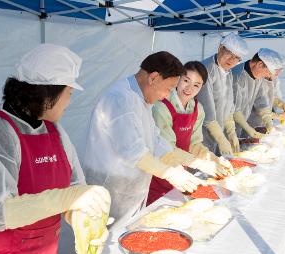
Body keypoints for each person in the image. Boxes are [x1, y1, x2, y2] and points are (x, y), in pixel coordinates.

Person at [0, 44, 111, 254]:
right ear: (48, 93)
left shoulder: (56, 132)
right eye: (68, 94)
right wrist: (67, 198)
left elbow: (75, 188)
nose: (69, 103)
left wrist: (84, 220)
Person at [83, 51, 226, 223]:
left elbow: (157, 141)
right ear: (153, 78)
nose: (167, 95)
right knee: (104, 240)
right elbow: (133, 152)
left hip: (131, 188)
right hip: (111, 187)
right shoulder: (120, 99)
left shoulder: (143, 98)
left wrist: (194, 162)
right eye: (168, 89)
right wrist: (171, 173)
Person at [148, 61, 233, 205]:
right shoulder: (161, 106)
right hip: (159, 172)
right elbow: (166, 149)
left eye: (196, 85)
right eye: (186, 81)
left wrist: (213, 159)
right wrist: (200, 164)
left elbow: (194, 144)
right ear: (178, 79)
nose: (189, 88)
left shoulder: (197, 108)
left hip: (182, 172)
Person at [198, 33, 248, 155]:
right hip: (199, 137)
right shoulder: (205, 69)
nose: (232, 60)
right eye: (230, 54)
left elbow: (228, 106)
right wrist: (221, 139)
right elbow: (207, 112)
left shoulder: (228, 73)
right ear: (220, 48)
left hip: (215, 136)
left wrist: (231, 133)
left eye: (237, 58)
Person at [232, 48, 281, 138]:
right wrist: (248, 128)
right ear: (260, 64)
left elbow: (261, 99)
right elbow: (233, 110)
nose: (269, 76)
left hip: (239, 128)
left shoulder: (257, 77)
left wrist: (268, 120)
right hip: (225, 128)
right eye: (269, 72)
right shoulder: (237, 77)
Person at [248, 52, 285, 129]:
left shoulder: (274, 78)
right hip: (251, 120)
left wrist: (282, 104)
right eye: (274, 71)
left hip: (265, 121)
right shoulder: (256, 77)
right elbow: (257, 103)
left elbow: (271, 96)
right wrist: (277, 116)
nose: (275, 75)